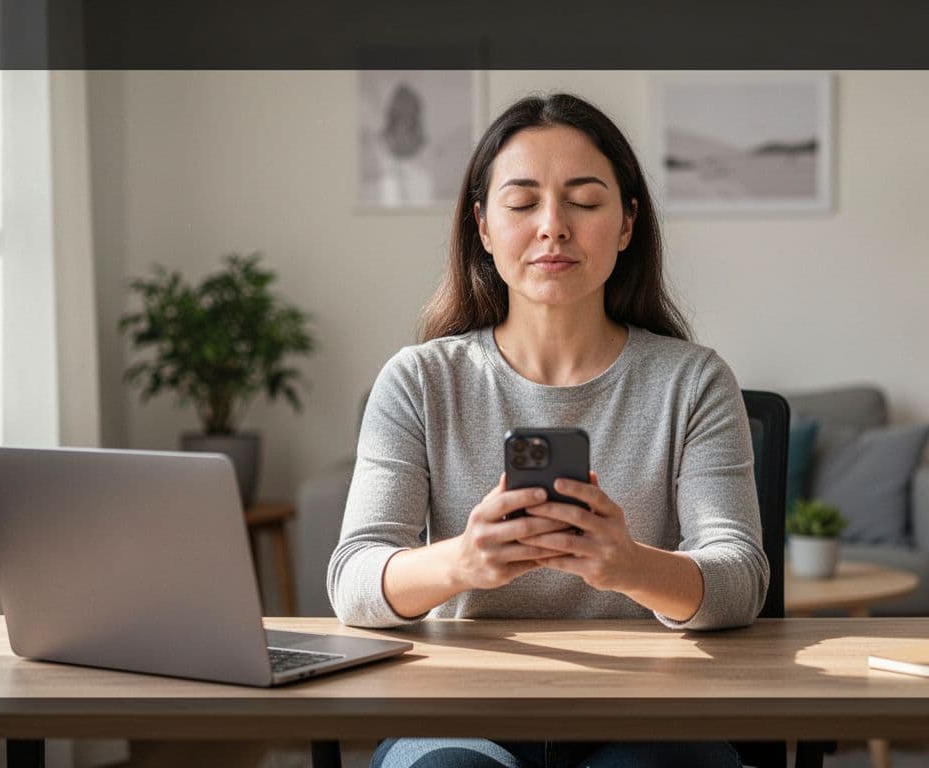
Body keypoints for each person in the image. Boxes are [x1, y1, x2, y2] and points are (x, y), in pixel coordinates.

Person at [328, 92, 769, 768]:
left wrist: (630, 566)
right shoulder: (418, 380)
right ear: (482, 225)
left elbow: (740, 577)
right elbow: (352, 580)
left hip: (651, 713)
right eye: (522, 201)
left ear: (626, 224)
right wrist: (463, 561)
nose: (553, 227)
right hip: (460, 711)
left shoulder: (694, 381)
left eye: (585, 202)